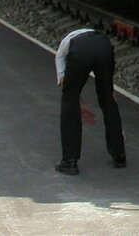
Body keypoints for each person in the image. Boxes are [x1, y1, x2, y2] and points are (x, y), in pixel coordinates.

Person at [54, 27, 126, 175]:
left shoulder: (61, 52)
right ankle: (119, 155)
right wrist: (119, 129)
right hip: (104, 46)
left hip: (81, 51)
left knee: (69, 99)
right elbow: (111, 94)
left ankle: (70, 161)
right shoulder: (94, 35)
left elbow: (66, 87)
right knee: (106, 95)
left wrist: (81, 105)